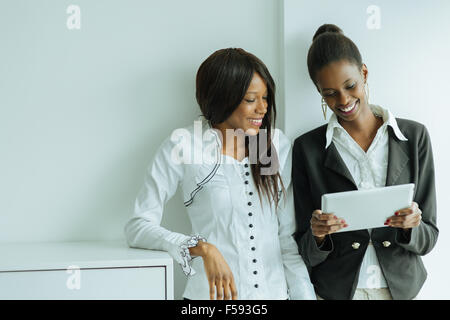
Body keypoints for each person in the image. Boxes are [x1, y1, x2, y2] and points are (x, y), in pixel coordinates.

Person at [124, 48, 315, 300]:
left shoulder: (272, 146)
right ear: (222, 98)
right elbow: (138, 226)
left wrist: (304, 295)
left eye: (266, 98)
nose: (263, 109)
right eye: (251, 99)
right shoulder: (185, 145)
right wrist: (202, 248)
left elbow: (285, 240)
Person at [292, 24, 438, 300]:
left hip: (401, 290)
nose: (344, 100)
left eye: (350, 86)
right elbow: (304, 249)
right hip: (336, 291)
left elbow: (429, 236)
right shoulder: (307, 149)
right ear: (319, 92)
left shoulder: (414, 136)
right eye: (330, 93)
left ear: (365, 74)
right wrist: (319, 235)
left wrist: (412, 227)